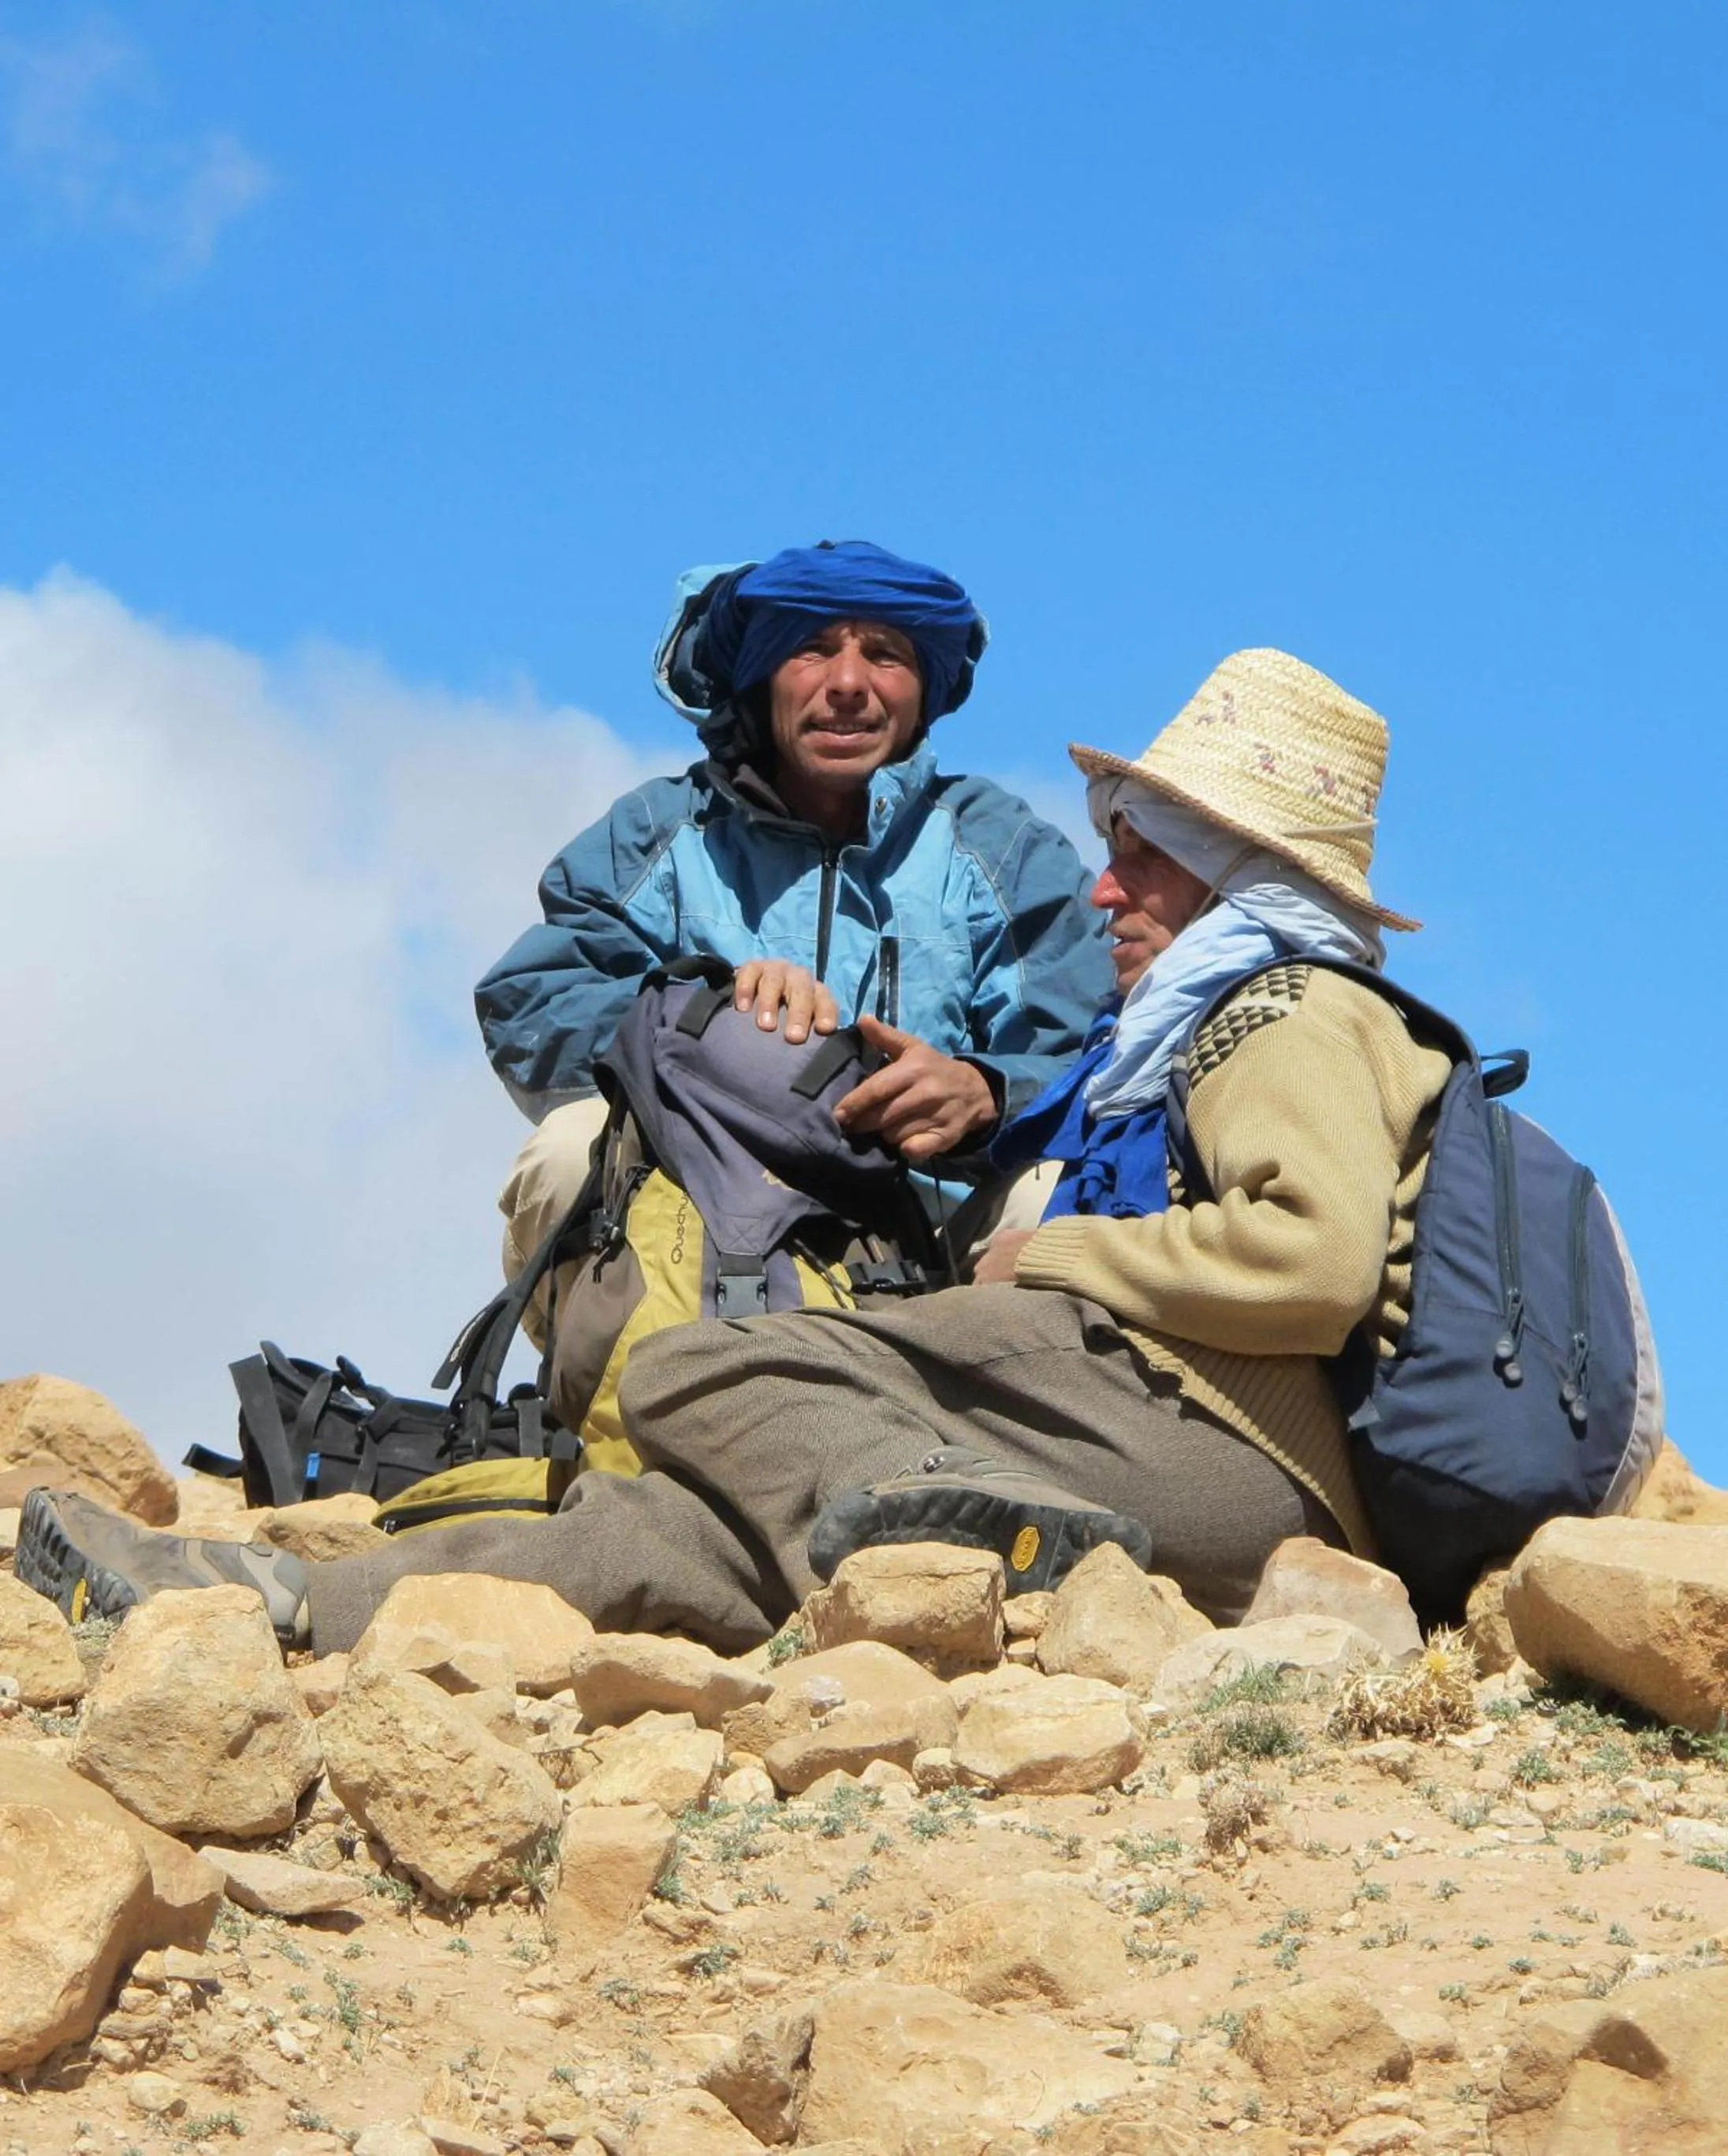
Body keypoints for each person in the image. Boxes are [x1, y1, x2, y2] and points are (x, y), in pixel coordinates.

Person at [17, 648, 1451, 1649]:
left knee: (712, 1362)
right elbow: (539, 991)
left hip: (1223, 1459)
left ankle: (928, 1516)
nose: (1104, 881)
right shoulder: (1173, 1028)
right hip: (1105, 1454)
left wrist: (1046, 1254)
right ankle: (247, 1605)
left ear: (1236, 872)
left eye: (1141, 850)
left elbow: (1314, 1262)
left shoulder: (1291, 1006)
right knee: (657, 1533)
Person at [479, 539, 1112, 1331]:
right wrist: (702, 1011)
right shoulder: (657, 835)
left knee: (1059, 1188)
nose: (846, 684)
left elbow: (1102, 1060)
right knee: (571, 1147)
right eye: (809, 648)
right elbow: (531, 1006)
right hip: (695, 1215)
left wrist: (984, 1094)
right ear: (756, 674)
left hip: (931, 1248)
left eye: (884, 654)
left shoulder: (1001, 848)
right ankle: (609, 1413)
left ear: (924, 689)